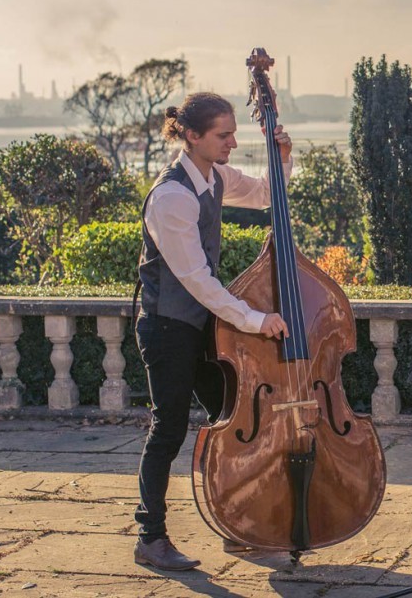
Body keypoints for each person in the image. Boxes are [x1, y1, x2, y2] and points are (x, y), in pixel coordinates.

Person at [133, 93, 292, 571]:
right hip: (167, 327)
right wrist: (256, 320)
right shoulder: (172, 197)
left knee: (235, 415)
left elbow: (267, 195)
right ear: (192, 136)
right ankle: (150, 537)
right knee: (169, 428)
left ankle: (237, 524)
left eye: (233, 133)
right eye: (223, 135)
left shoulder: (215, 177)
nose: (233, 142)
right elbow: (198, 280)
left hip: (202, 327)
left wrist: (282, 160)